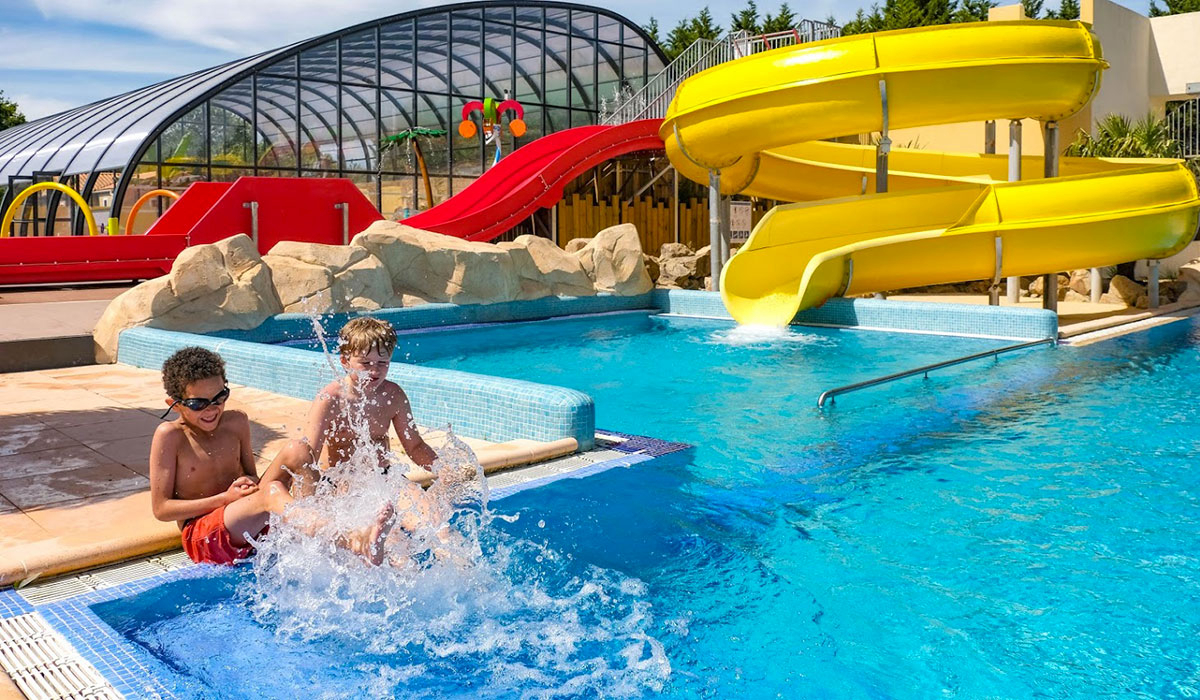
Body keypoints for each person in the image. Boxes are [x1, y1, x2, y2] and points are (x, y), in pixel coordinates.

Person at [148, 347, 395, 566]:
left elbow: (252, 476)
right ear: (175, 403)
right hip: (204, 536)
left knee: (297, 450)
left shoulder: (236, 421)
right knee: (273, 492)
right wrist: (224, 498)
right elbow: (161, 509)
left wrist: (246, 482)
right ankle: (352, 540)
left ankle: (311, 541)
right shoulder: (170, 436)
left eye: (219, 398)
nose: (212, 409)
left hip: (241, 517)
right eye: (198, 404)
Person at [263, 316, 437, 497]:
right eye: (365, 363)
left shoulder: (393, 395)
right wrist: (307, 500)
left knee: (427, 510)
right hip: (339, 480)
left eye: (382, 362)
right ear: (345, 361)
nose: (374, 370)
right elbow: (307, 457)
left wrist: (443, 469)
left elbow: (415, 446)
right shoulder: (330, 398)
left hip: (382, 476)